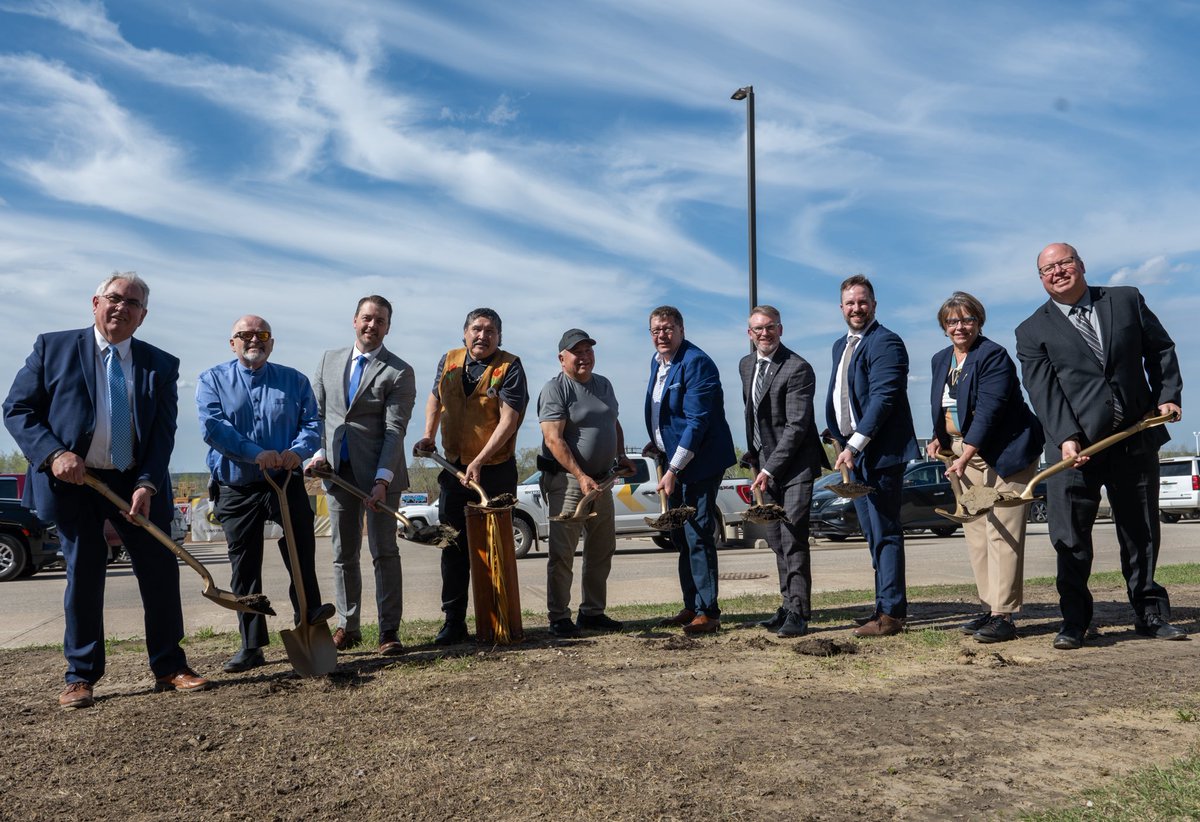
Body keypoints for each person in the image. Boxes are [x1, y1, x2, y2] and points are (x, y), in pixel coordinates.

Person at [3, 272, 208, 709]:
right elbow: (17, 409)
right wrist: (54, 453)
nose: (122, 307)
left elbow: (162, 435)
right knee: (85, 571)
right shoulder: (52, 348)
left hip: (134, 480)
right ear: (95, 302)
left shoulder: (160, 364)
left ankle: (170, 666)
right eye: (114, 298)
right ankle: (80, 676)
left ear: (143, 316)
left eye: (132, 304)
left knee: (158, 568)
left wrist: (148, 482)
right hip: (74, 480)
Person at [1015, 243, 1185, 650]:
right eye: (1048, 269)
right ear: (1041, 279)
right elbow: (1043, 391)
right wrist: (1067, 437)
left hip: (1134, 436)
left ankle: (1150, 612)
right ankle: (1075, 621)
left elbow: (1160, 349)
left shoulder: (1125, 299)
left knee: (1140, 531)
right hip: (1073, 453)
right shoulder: (1031, 330)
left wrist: (1168, 393)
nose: (1058, 272)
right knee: (1070, 538)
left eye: (1064, 263)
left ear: (1081, 265)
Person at [197, 315, 335, 672]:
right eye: (244, 335)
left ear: (271, 343)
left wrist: (298, 451)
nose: (253, 340)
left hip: (284, 481)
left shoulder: (294, 381)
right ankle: (251, 644)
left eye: (262, 335)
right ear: (233, 343)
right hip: (237, 485)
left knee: (300, 550)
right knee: (244, 567)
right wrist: (253, 453)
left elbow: (312, 424)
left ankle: (309, 622)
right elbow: (214, 428)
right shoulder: (211, 380)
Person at [926, 292, 1044, 643]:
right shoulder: (940, 359)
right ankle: (988, 606)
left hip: (1003, 452)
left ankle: (1003, 614)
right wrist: (939, 440)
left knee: (1002, 531)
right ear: (944, 327)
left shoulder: (993, 355)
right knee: (976, 532)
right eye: (952, 321)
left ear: (979, 322)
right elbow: (943, 406)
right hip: (963, 453)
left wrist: (964, 455)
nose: (960, 327)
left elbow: (990, 411)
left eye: (967, 320)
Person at [307, 296, 416, 655]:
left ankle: (388, 632)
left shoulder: (399, 371)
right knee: (343, 553)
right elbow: (317, 416)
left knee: (384, 552)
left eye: (380, 321)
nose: (372, 325)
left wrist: (382, 480)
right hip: (337, 475)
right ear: (354, 320)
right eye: (367, 318)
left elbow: (394, 430)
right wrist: (319, 455)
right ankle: (348, 625)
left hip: (381, 477)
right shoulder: (328, 360)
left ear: (388, 327)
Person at [412, 308, 529, 645]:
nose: (483, 335)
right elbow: (435, 398)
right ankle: (453, 622)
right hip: (452, 470)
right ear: (464, 333)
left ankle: (498, 619)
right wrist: (428, 435)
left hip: (494, 473)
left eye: (490, 331)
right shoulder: (449, 360)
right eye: (476, 329)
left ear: (499, 337)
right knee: (452, 545)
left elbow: (509, 420)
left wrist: (479, 459)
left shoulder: (510, 366)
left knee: (495, 547)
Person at [825, 275, 919, 637]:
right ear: (841, 308)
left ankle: (892, 614)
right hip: (854, 451)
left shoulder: (886, 343)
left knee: (885, 532)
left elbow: (883, 399)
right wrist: (836, 433)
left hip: (878, 454)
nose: (856, 308)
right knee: (870, 533)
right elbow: (843, 393)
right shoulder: (841, 345)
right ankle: (882, 605)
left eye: (862, 302)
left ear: (874, 305)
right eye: (850, 303)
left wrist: (854, 444)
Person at [537, 329, 636, 638]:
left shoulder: (603, 384)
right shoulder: (556, 389)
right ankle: (558, 616)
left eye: (588, 351)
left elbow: (613, 422)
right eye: (576, 352)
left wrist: (621, 455)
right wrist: (581, 476)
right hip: (567, 482)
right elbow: (553, 439)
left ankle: (592, 612)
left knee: (602, 548)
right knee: (563, 552)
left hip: (602, 481)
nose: (584, 356)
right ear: (562, 358)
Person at [644, 306, 736, 635]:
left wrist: (672, 468)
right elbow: (666, 417)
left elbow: (696, 423)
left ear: (681, 329)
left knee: (697, 534)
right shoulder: (659, 364)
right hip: (676, 461)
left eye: (667, 329)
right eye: (655, 330)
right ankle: (691, 604)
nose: (661, 335)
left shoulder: (697, 363)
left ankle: (708, 612)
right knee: (680, 536)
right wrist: (657, 444)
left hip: (701, 462)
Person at [740, 305, 828, 638]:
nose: (764, 333)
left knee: (792, 538)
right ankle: (786, 604)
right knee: (775, 538)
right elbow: (751, 414)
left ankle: (799, 612)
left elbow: (796, 427)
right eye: (757, 329)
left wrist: (771, 468)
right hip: (764, 465)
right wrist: (754, 461)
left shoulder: (798, 368)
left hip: (795, 467)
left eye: (770, 327)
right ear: (750, 333)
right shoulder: (746, 365)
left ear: (781, 329)